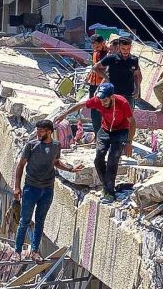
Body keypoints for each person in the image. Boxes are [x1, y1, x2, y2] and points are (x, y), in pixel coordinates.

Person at [14, 120, 84, 262]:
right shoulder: (31, 145)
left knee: (40, 221)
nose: (38, 134)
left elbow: (56, 162)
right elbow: (20, 165)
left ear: (49, 131)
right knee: (25, 221)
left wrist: (70, 169)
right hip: (31, 188)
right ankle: (17, 251)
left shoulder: (56, 145)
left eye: (41, 131)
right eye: (37, 131)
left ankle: (34, 251)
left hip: (47, 189)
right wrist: (17, 187)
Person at [53, 83, 135, 203]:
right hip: (105, 130)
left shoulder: (122, 103)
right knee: (98, 159)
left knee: (113, 159)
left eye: (105, 100)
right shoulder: (98, 101)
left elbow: (132, 123)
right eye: (101, 100)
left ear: (112, 97)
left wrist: (129, 142)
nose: (103, 103)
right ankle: (107, 186)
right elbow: (81, 104)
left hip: (120, 131)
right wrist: (65, 114)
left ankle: (109, 192)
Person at [94, 36, 142, 109]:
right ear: (119, 47)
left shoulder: (134, 60)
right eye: (123, 48)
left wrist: (137, 89)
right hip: (114, 93)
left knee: (128, 113)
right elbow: (95, 68)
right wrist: (107, 78)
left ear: (131, 47)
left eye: (128, 48)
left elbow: (136, 75)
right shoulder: (112, 58)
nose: (125, 51)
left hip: (129, 94)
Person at [87, 34, 108, 136]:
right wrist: (88, 76)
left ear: (103, 43)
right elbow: (93, 66)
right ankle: (97, 133)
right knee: (94, 110)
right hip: (93, 84)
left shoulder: (108, 54)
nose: (96, 49)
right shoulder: (95, 52)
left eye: (98, 46)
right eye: (94, 47)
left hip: (103, 85)